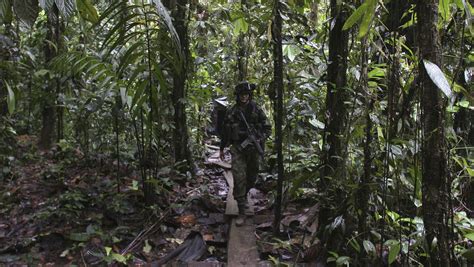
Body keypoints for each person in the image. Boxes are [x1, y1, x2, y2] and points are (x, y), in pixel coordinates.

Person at [219, 81, 271, 227]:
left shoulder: (256, 109)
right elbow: (225, 131)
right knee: (239, 176)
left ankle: (243, 194)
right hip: (238, 148)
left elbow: (267, 128)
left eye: (246, 94)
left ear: (249, 95)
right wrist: (222, 148)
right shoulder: (232, 111)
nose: (244, 97)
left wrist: (259, 137)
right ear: (238, 96)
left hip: (253, 148)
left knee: (252, 176)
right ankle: (241, 208)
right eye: (241, 95)